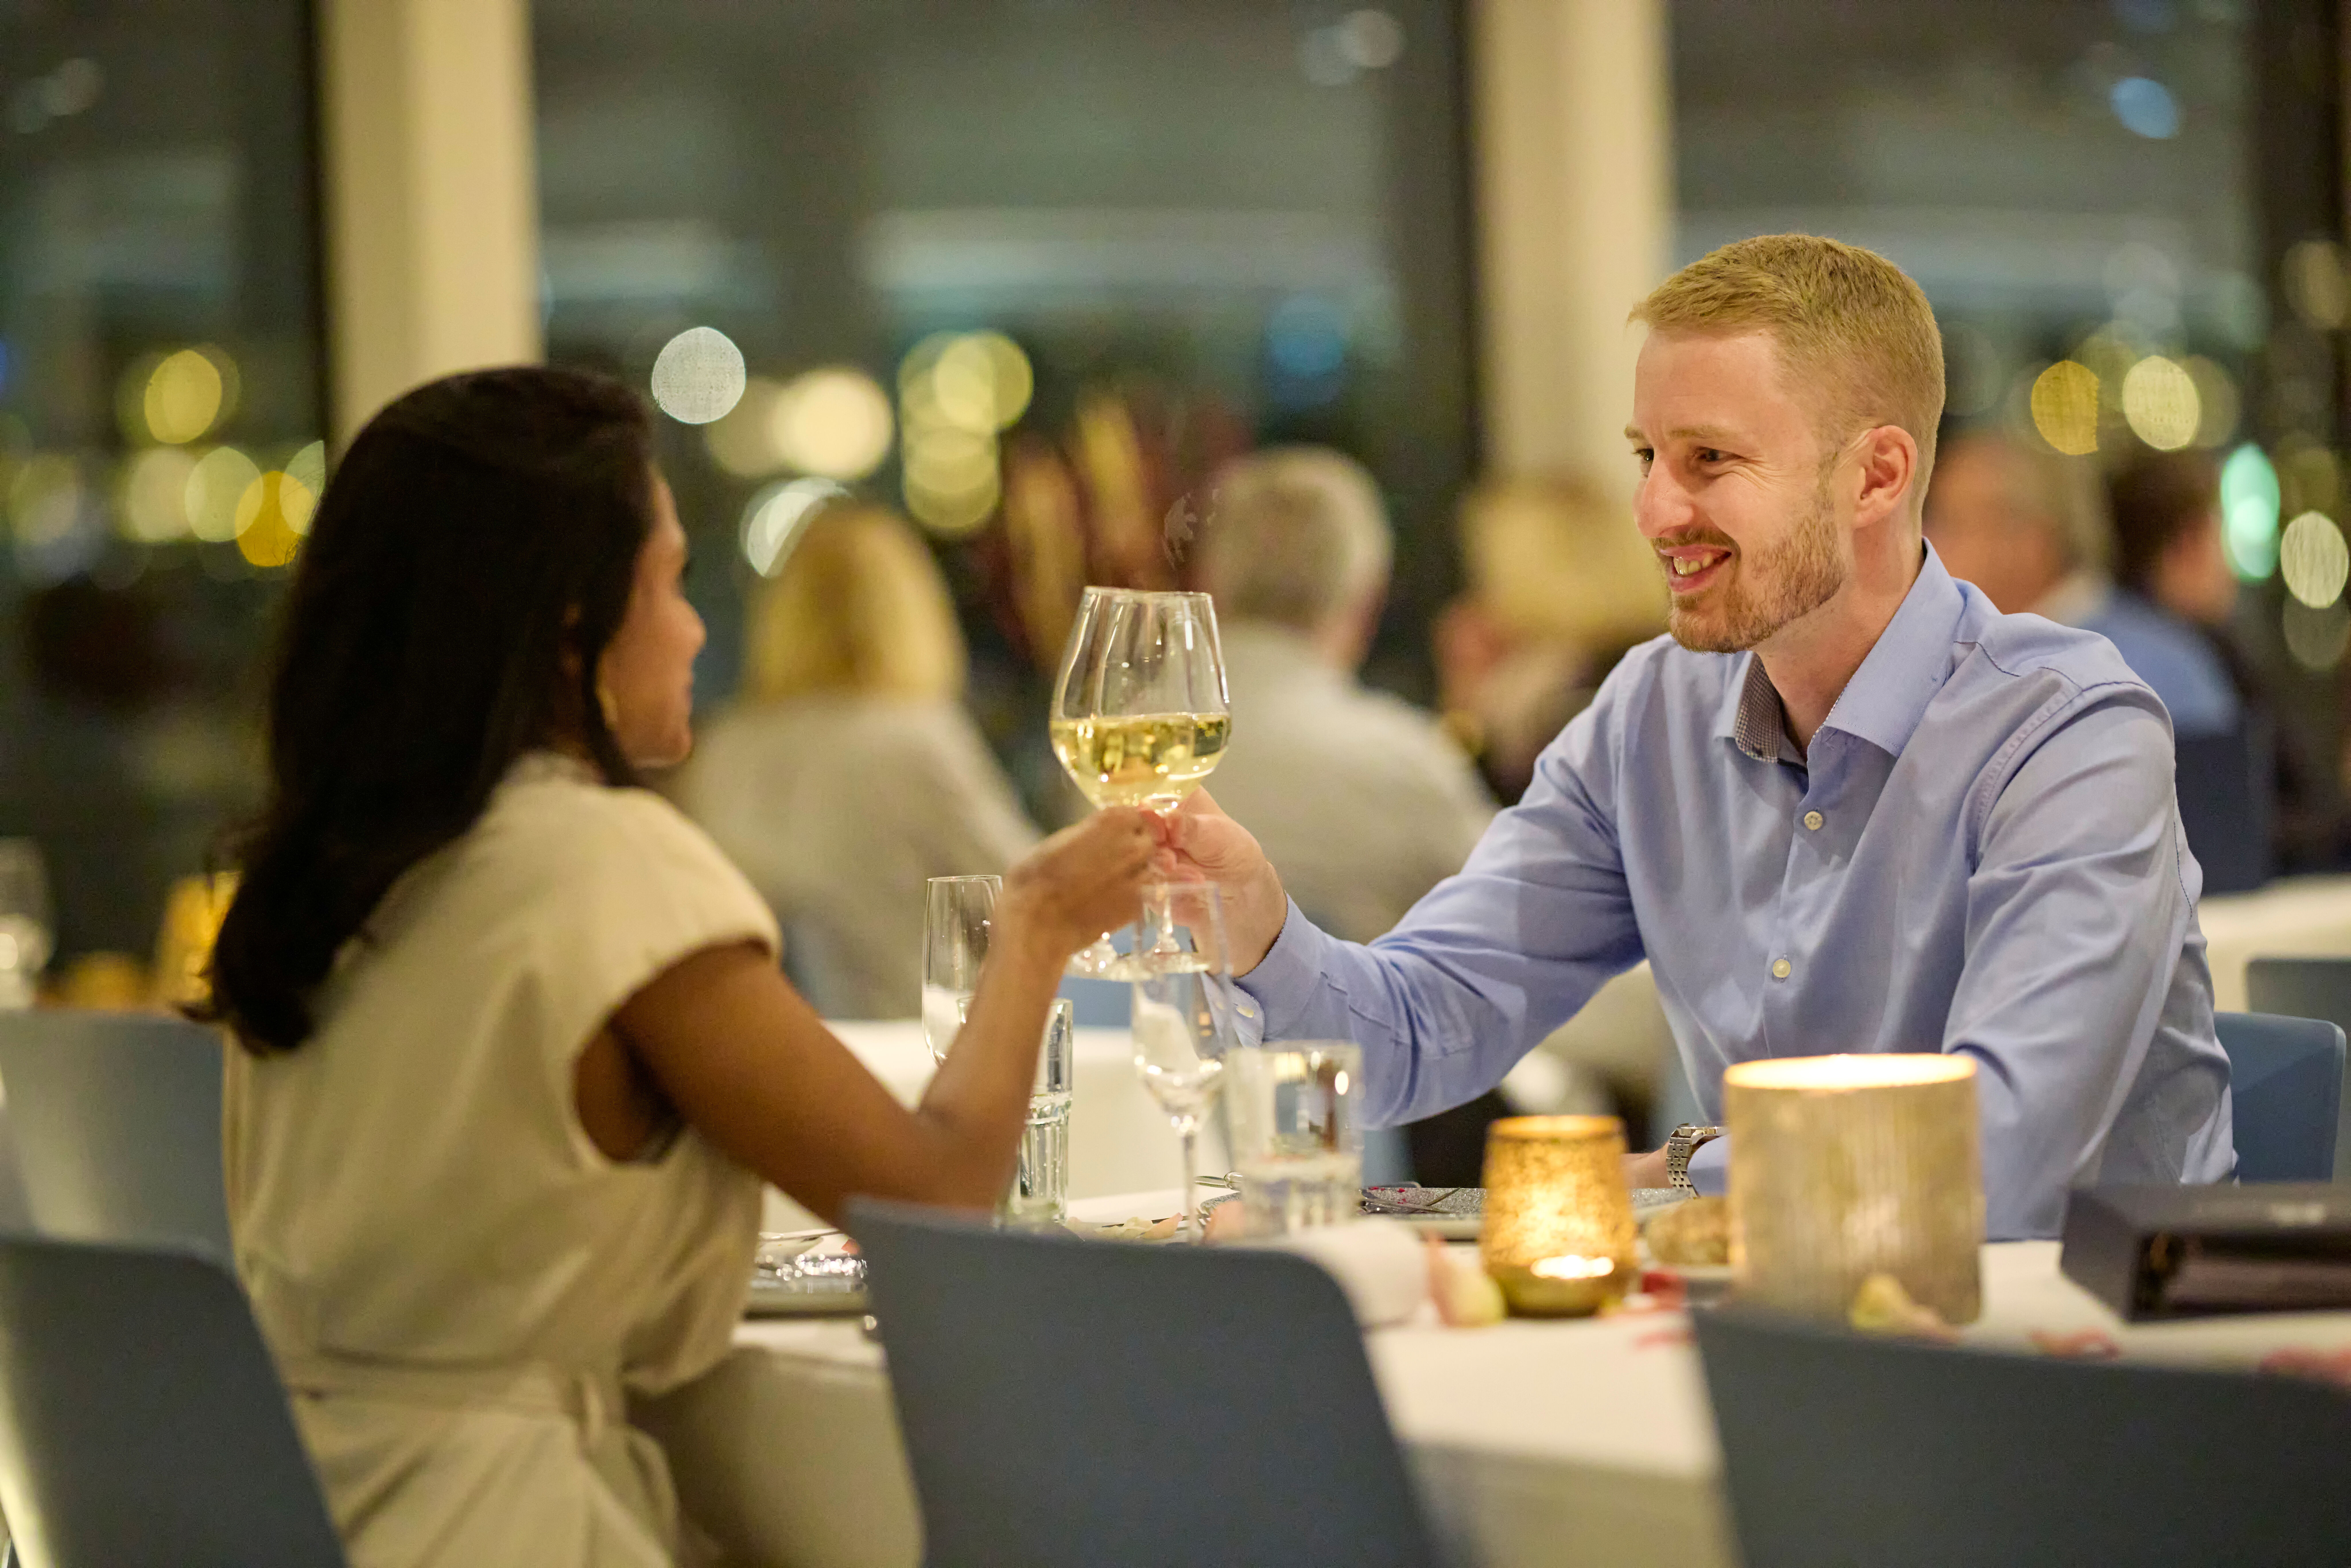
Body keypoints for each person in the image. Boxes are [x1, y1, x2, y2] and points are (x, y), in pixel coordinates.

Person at [203, 367, 1152, 1568]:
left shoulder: (328, 877)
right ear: (569, 626)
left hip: (299, 1509)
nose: (699, 630)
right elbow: (935, 1197)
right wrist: (1034, 932)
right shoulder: (598, 863)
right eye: (670, 581)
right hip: (503, 1529)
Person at [1161, 234, 2234, 1242]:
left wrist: (1685, 1172)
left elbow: (1997, 1157)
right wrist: (1258, 928)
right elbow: (1413, 1030)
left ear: (1876, 475)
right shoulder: (1650, 714)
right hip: (1792, 1332)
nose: (1651, 510)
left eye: (1708, 459)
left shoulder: (2065, 732)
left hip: (2084, 1364)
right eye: (1645, 456)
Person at [685, 500, 1040, 1017]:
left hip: (778, 1050)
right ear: (912, 606)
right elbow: (1027, 889)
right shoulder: (913, 737)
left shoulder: (726, 748)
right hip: (916, 1042)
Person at [1196, 446, 1494, 945]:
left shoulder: (1122, 763)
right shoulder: (1401, 760)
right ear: (1365, 594)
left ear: (1209, 581)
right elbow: (1526, 928)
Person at [1927, 431, 2238, 736]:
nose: (1926, 541)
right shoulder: (1968, 658)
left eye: (1948, 522)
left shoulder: (2156, 674)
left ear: (2028, 543)